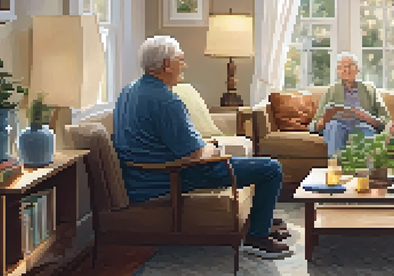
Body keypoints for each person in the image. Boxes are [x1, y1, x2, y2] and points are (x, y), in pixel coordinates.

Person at [112, 36, 292, 259]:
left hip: (140, 176)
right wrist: (213, 147)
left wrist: (206, 145)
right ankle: (256, 239)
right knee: (271, 168)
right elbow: (195, 154)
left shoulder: (128, 91)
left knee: (253, 163)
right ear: (166, 64)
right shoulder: (167, 100)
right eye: (181, 59)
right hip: (170, 177)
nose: (185, 65)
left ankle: (260, 220)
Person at [309, 52, 391, 157]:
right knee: (334, 126)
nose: (346, 70)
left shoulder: (370, 89)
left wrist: (368, 118)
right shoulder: (331, 91)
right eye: (342, 67)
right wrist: (325, 120)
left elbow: (386, 120)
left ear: (357, 69)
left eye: (350, 66)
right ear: (338, 71)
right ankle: (337, 167)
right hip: (338, 125)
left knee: (365, 131)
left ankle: (365, 170)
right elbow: (314, 125)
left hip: (362, 125)